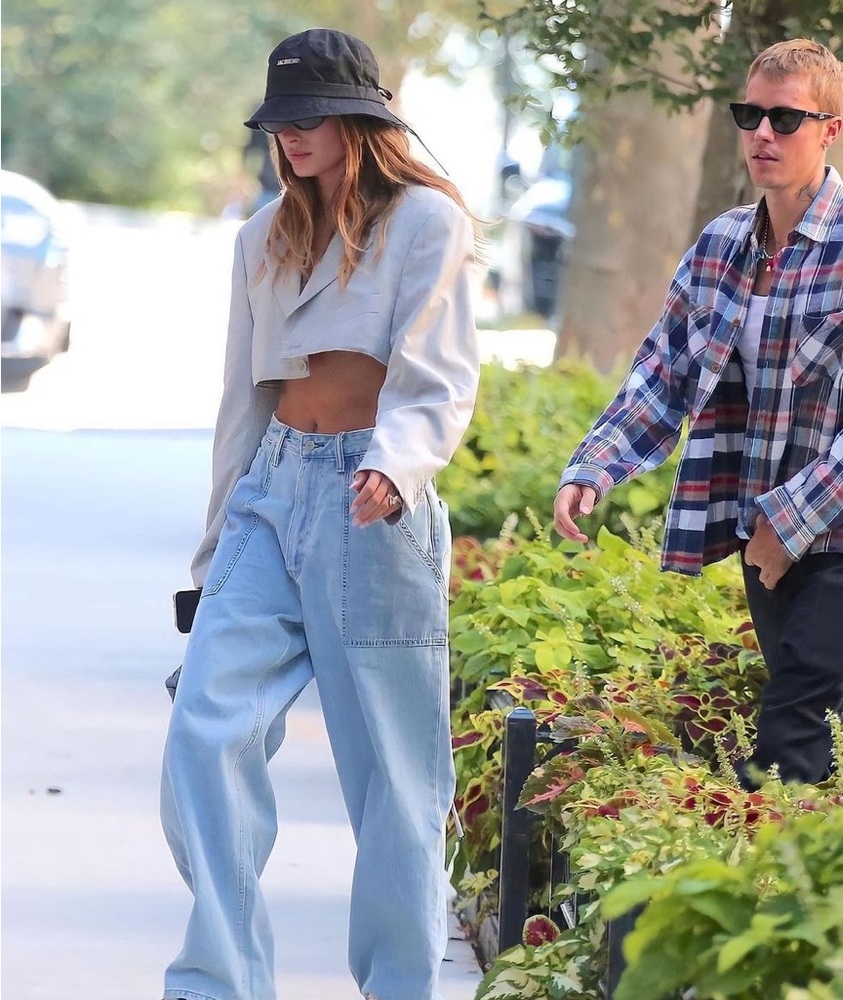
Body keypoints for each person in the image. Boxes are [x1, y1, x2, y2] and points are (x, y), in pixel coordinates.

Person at [160, 28, 480, 1000]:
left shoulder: (426, 223)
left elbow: (438, 376)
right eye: (278, 121)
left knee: (393, 778)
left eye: (308, 118)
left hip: (370, 503)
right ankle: (216, 982)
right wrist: (212, 555)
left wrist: (396, 466)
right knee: (204, 733)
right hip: (274, 493)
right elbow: (241, 405)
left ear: (358, 120)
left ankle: (398, 986)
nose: (290, 137)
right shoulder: (262, 237)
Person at [553, 38, 843, 790]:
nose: (763, 132)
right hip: (766, 531)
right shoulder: (721, 247)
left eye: (785, 118)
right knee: (830, 729)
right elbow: (664, 372)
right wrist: (594, 465)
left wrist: (786, 522)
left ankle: (752, 887)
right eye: (750, 114)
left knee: (788, 737)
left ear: (829, 129)